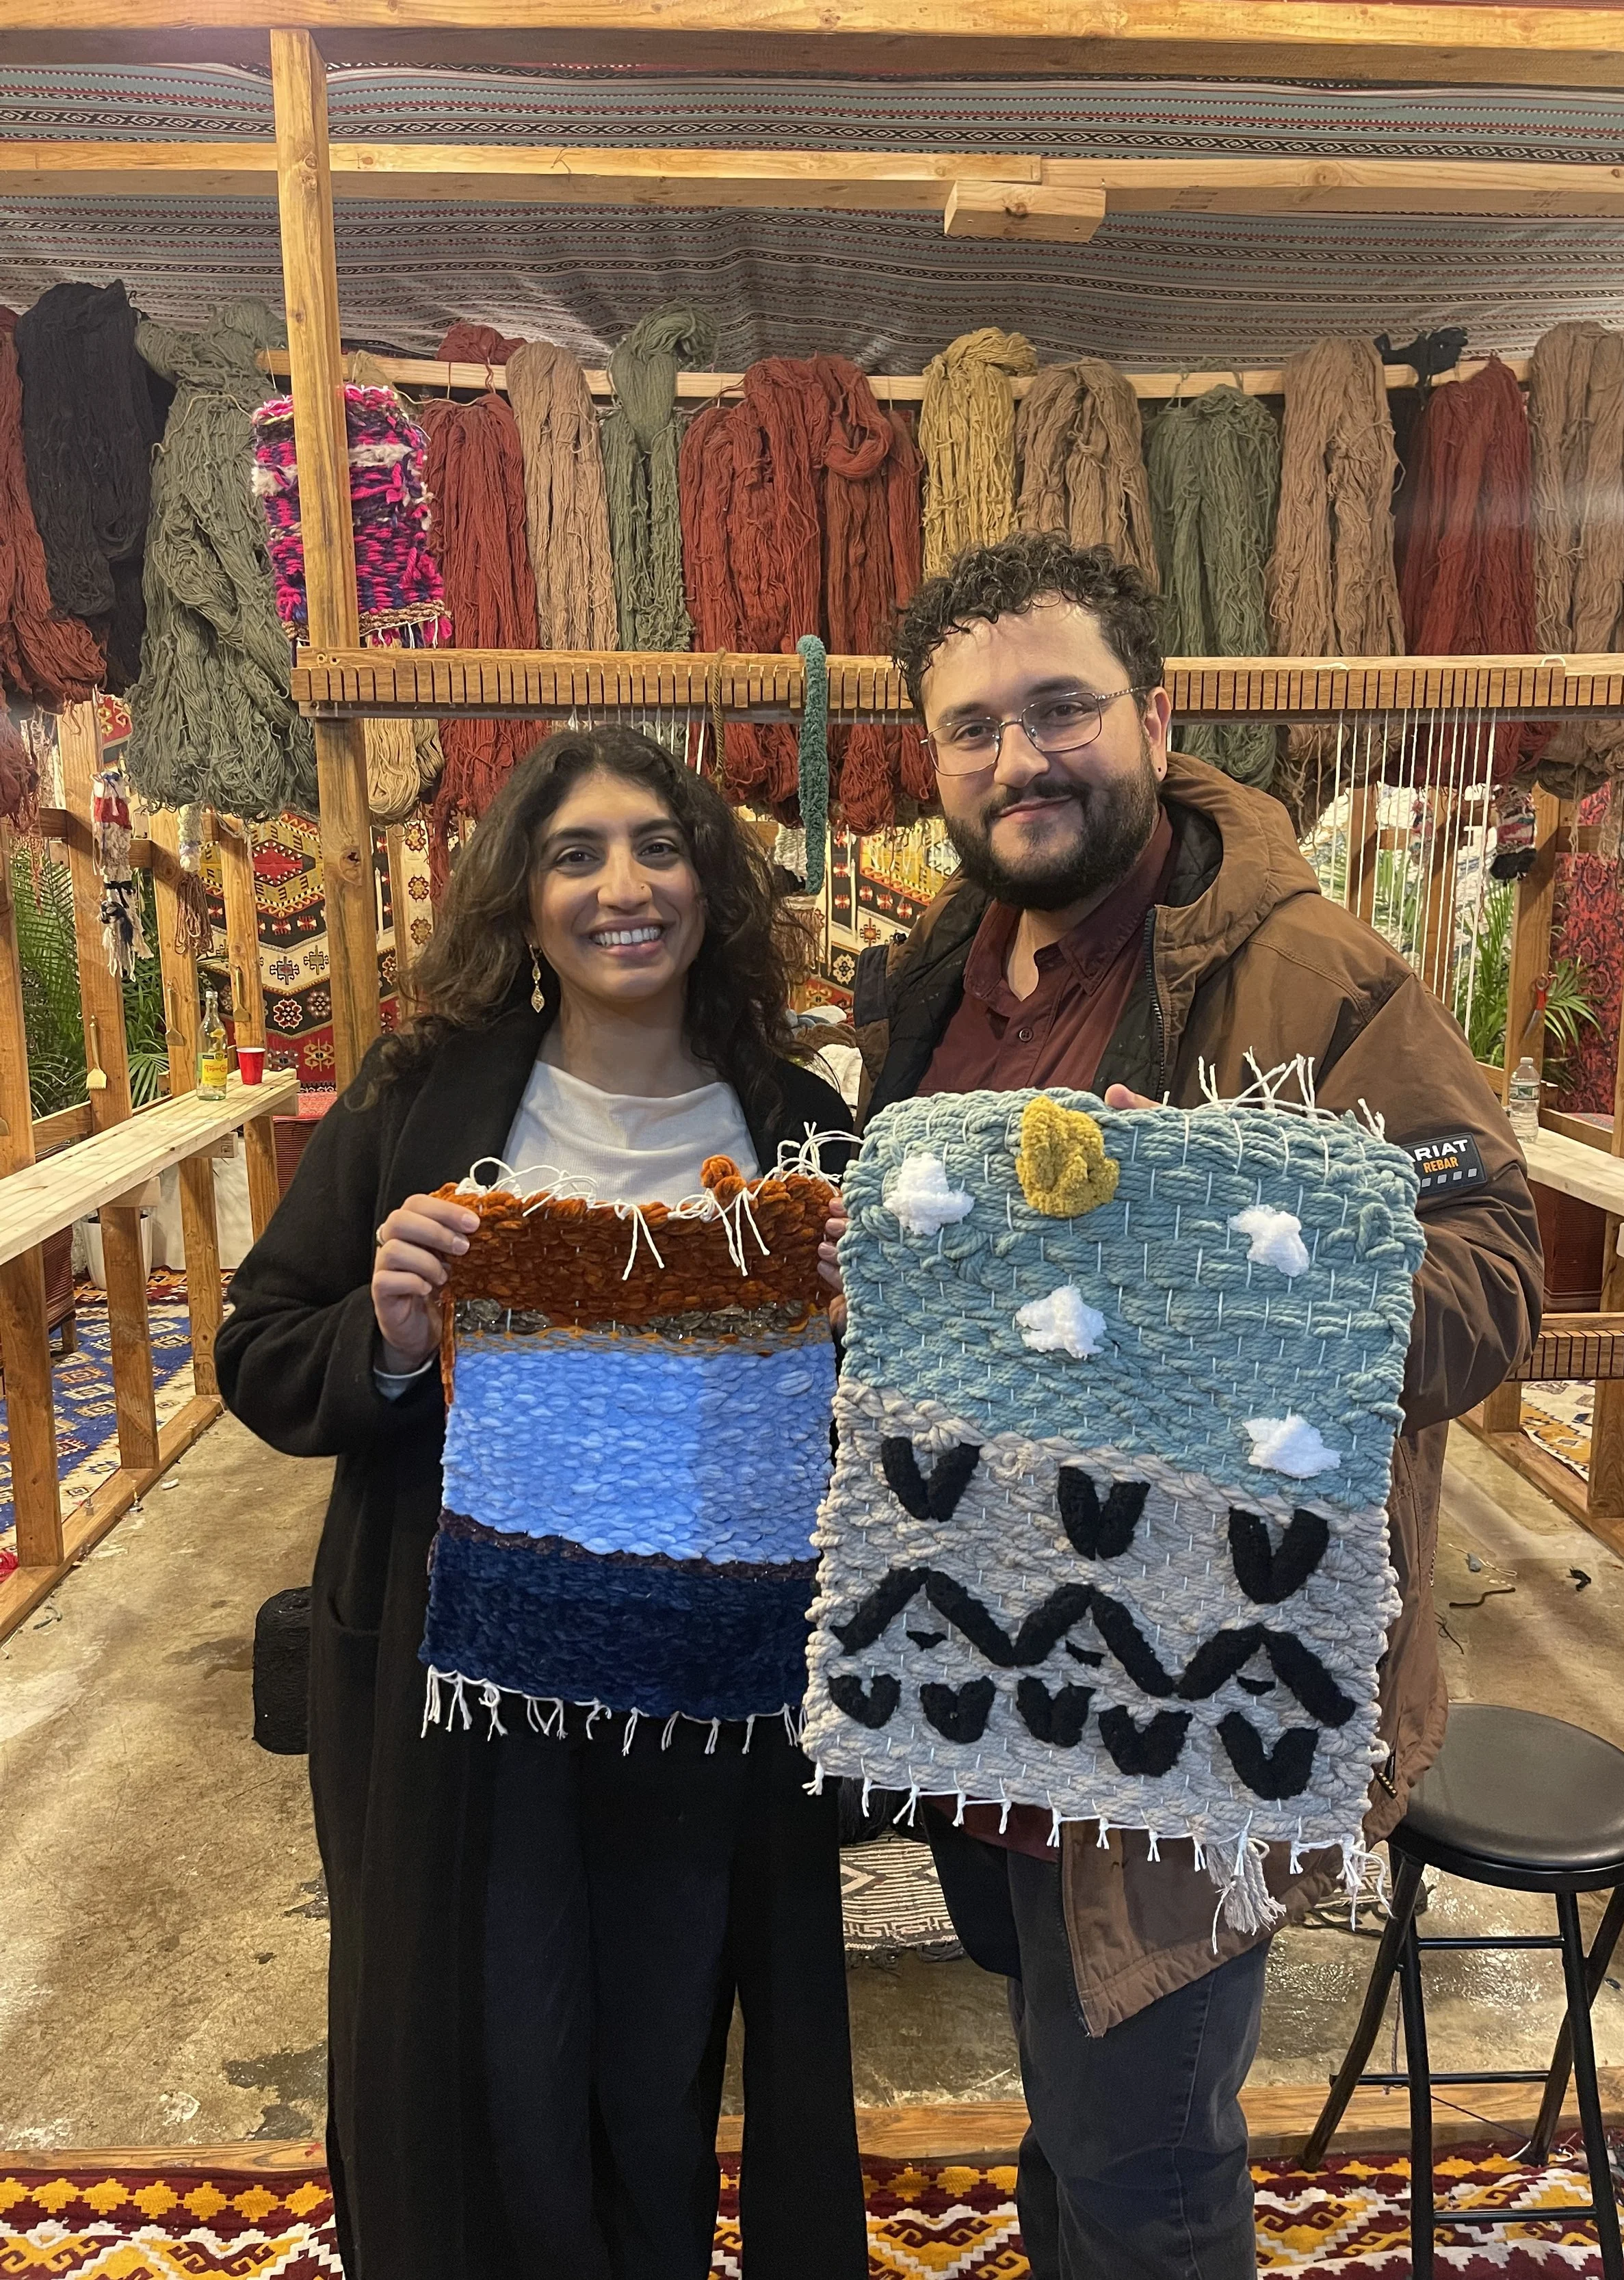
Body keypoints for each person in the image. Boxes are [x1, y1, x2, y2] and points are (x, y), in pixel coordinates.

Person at [822, 532, 1544, 2280]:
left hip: (1192, 1693)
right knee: (1071, 2128)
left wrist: (1211, 1266)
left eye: (1061, 708)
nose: (1020, 759)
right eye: (972, 728)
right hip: (982, 1673)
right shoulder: (930, 975)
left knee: (1143, 2167)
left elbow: (1495, 1264)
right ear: (930, 761)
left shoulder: (1304, 975)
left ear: (1156, 715)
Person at [217, 727, 867, 2280]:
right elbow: (257, 1343)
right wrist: (385, 1335)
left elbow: (874, 1430)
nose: (621, 886)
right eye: (575, 853)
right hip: (465, 1703)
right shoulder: (424, 1097)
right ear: (520, 895)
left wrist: (864, 1325)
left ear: (712, 882)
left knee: (659, 2059)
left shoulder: (795, 1119)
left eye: (657, 846)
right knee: (476, 2051)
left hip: (710, 1708)